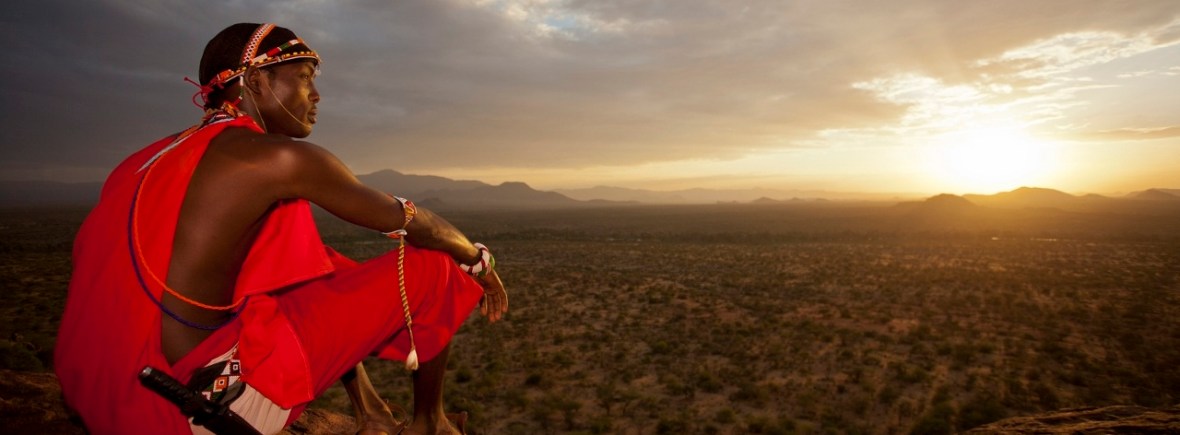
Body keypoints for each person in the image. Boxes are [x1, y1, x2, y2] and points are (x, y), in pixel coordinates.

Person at [54, 22, 507, 435]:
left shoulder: (147, 160)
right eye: (305, 77)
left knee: (311, 268)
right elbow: (416, 222)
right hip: (191, 409)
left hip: (104, 394)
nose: (316, 95)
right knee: (437, 264)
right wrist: (478, 262)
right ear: (256, 81)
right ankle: (431, 423)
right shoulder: (280, 158)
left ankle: (371, 411)